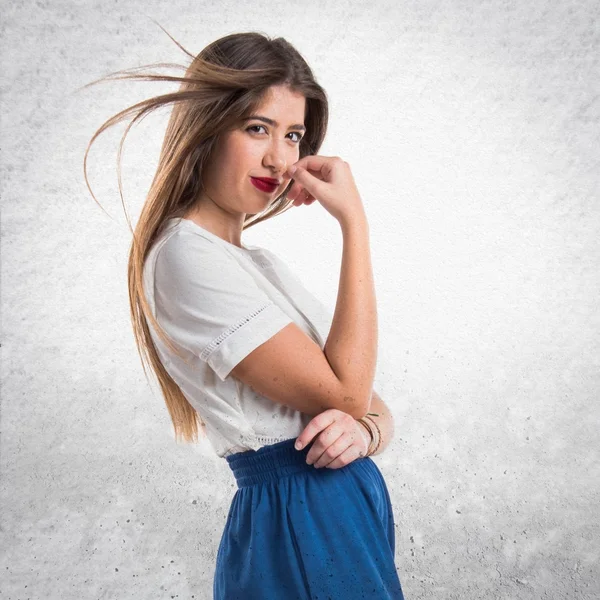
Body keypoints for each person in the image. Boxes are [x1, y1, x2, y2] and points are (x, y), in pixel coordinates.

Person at [84, 30, 405, 599]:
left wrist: (369, 432)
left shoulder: (259, 265)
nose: (279, 158)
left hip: (340, 510)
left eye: (294, 135)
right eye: (257, 127)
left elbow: (364, 401)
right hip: (303, 519)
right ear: (206, 127)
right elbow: (349, 393)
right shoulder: (184, 257)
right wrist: (354, 224)